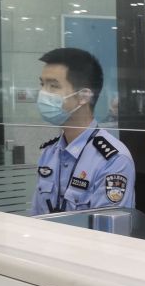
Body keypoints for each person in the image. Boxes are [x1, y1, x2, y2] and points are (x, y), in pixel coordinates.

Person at [30, 47, 135, 215]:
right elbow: (35, 218)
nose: (43, 93)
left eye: (53, 86)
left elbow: (107, 228)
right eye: (42, 84)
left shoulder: (112, 160)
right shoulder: (49, 152)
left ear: (84, 96)